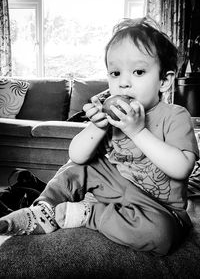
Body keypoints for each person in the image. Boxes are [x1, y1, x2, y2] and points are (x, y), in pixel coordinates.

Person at [0, 17, 199, 255]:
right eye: (115, 73)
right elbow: (77, 156)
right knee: (78, 167)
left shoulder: (175, 115)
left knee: (163, 236)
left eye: (138, 71)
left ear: (164, 81)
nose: (123, 83)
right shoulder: (111, 116)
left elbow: (181, 168)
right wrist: (97, 127)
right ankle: (44, 209)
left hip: (159, 207)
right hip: (115, 186)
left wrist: (137, 131)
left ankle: (89, 213)